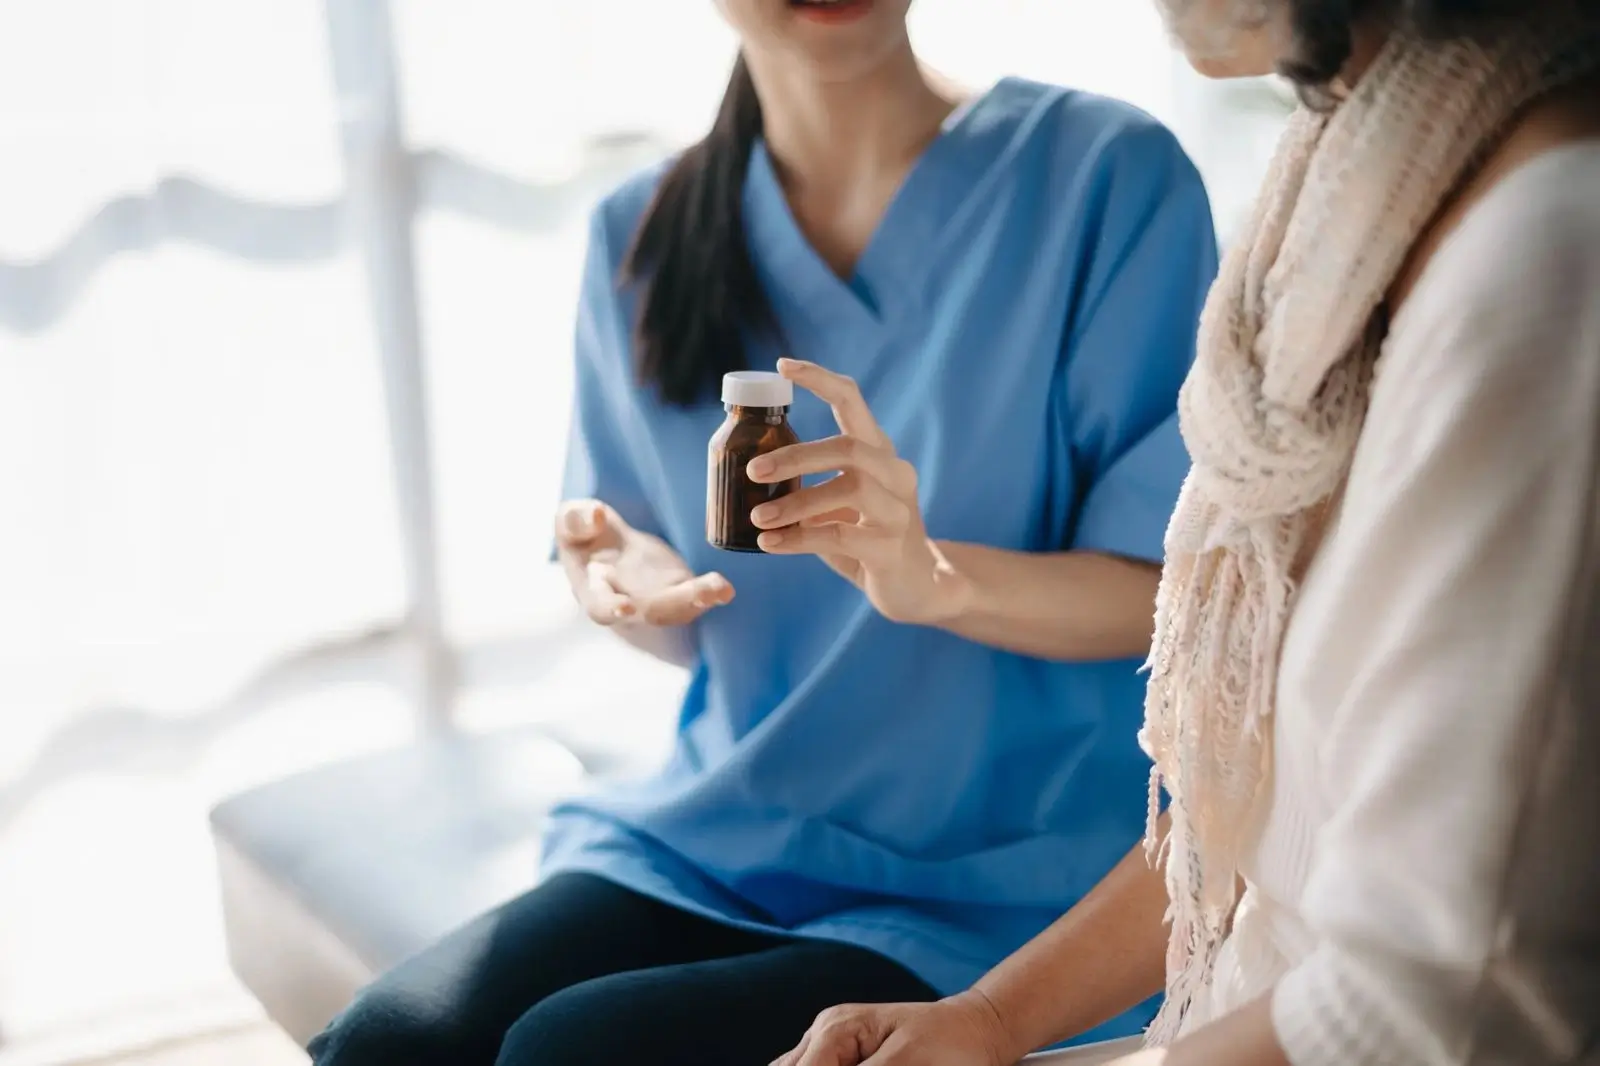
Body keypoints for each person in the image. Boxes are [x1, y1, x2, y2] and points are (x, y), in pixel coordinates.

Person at [305, 2, 1218, 1065]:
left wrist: (933, 577)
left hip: (1006, 873)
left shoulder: (1103, 178)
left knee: (574, 1050)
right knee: (389, 1042)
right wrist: (626, 588)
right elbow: (670, 602)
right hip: (726, 835)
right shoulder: (638, 234)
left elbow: (1179, 604)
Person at [774, 1, 1600, 1065]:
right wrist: (987, 1022)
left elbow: (1440, 1003)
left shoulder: (1544, 262)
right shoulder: (1343, 208)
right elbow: (1242, 817)